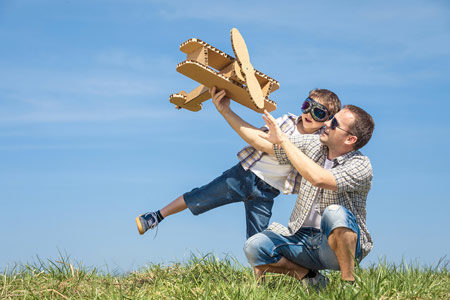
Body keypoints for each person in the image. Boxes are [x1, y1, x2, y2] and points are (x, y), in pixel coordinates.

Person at [136, 87, 341, 240]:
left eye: (319, 112)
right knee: (199, 196)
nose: (309, 114)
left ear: (327, 120)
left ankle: (259, 283)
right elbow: (260, 138)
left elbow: (266, 144)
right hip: (244, 174)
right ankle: (156, 216)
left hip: (267, 192)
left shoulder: (316, 143)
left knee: (257, 239)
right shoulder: (287, 120)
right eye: (307, 106)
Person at [243, 106, 374, 288]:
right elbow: (265, 143)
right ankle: (309, 277)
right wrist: (225, 110)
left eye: (334, 123)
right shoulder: (314, 145)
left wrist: (285, 143)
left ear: (350, 139)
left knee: (335, 213)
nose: (326, 123)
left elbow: (319, 178)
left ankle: (348, 284)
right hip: (301, 240)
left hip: (335, 247)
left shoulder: (361, 165)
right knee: (254, 246)